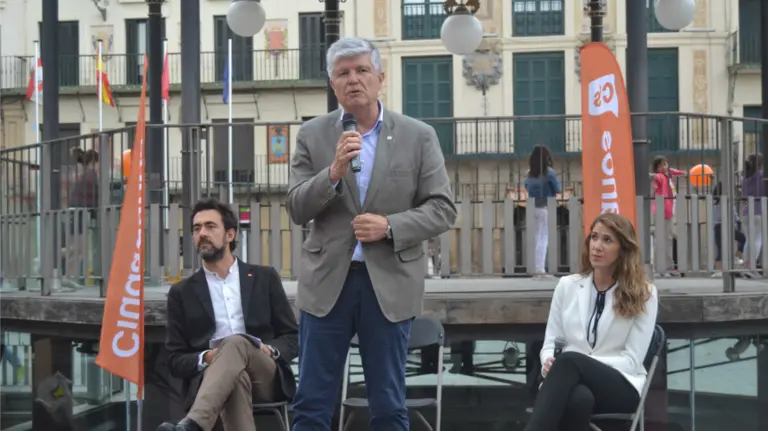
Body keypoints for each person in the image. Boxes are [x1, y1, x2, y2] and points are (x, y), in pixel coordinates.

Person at [286, 37, 457, 431]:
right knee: (311, 404)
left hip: (389, 285)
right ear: (332, 84)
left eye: (362, 70)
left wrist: (390, 226)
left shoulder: (418, 136)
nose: (354, 79)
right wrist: (332, 173)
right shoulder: (312, 135)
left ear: (380, 77)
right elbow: (296, 207)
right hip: (327, 284)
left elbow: (443, 209)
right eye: (343, 73)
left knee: (388, 405)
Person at [157, 199, 299, 431]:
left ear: (230, 234)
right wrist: (208, 357)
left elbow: (292, 337)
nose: (202, 233)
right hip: (213, 379)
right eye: (197, 228)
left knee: (236, 342)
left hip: (264, 375)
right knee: (235, 377)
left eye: (210, 226)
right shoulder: (182, 292)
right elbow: (174, 360)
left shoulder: (264, 278)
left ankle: (194, 424)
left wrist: (269, 350)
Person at [525, 213, 659, 431]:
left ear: (622, 249)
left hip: (620, 385)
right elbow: (550, 343)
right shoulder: (567, 286)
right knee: (579, 399)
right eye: (594, 237)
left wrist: (581, 364)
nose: (597, 246)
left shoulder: (645, 293)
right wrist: (548, 360)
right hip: (569, 381)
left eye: (607, 240)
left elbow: (632, 361)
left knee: (569, 361)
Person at [524, 145, 562, 279]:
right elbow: (558, 189)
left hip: (532, 208)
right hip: (545, 207)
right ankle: (540, 269)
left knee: (535, 238)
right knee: (543, 238)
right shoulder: (549, 173)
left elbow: (526, 186)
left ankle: (535, 269)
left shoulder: (529, 173)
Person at [712, 181, 746, 278]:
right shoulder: (727, 201)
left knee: (721, 248)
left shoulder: (716, 201)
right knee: (742, 238)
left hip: (718, 227)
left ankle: (720, 270)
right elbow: (734, 214)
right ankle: (736, 257)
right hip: (725, 226)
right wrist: (738, 221)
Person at [741, 153, 764, 278]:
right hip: (758, 210)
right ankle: (753, 268)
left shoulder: (744, 178)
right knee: (757, 240)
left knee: (749, 240)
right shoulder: (761, 176)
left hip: (746, 211)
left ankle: (746, 267)